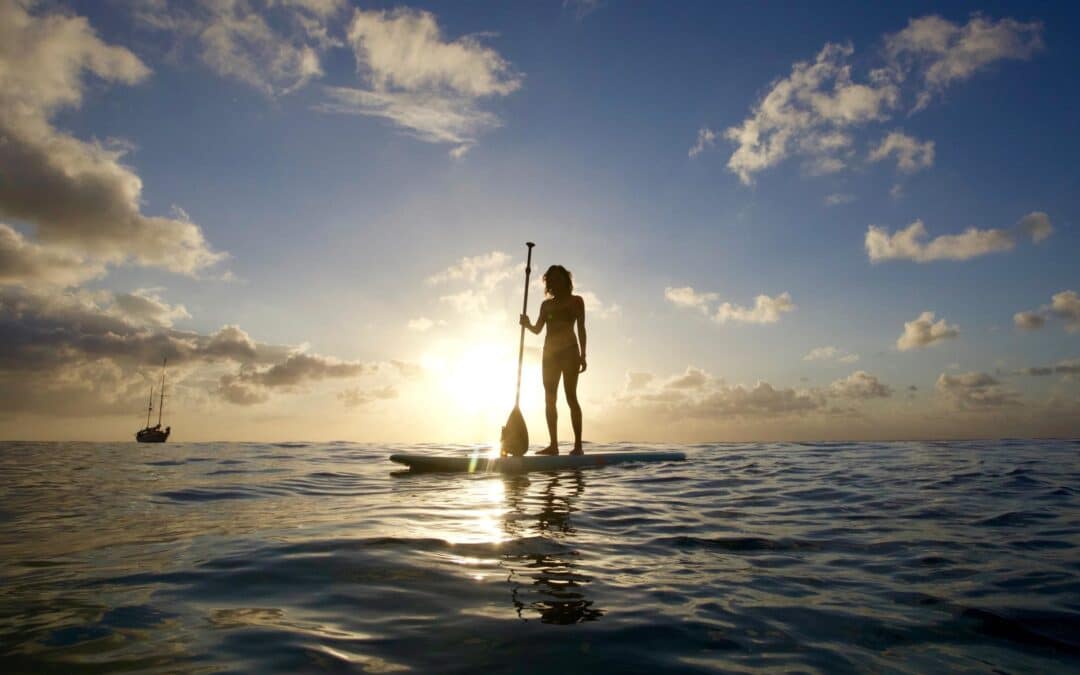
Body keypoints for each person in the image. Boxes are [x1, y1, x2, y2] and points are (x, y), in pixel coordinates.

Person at [520, 265, 587, 455]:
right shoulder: (546, 305)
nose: (554, 282)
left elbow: (581, 328)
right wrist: (527, 324)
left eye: (558, 278)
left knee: (571, 397)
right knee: (550, 399)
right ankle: (554, 445)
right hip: (549, 355)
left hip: (570, 352)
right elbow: (538, 329)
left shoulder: (576, 301)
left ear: (566, 281)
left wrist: (583, 354)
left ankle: (578, 446)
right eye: (551, 280)